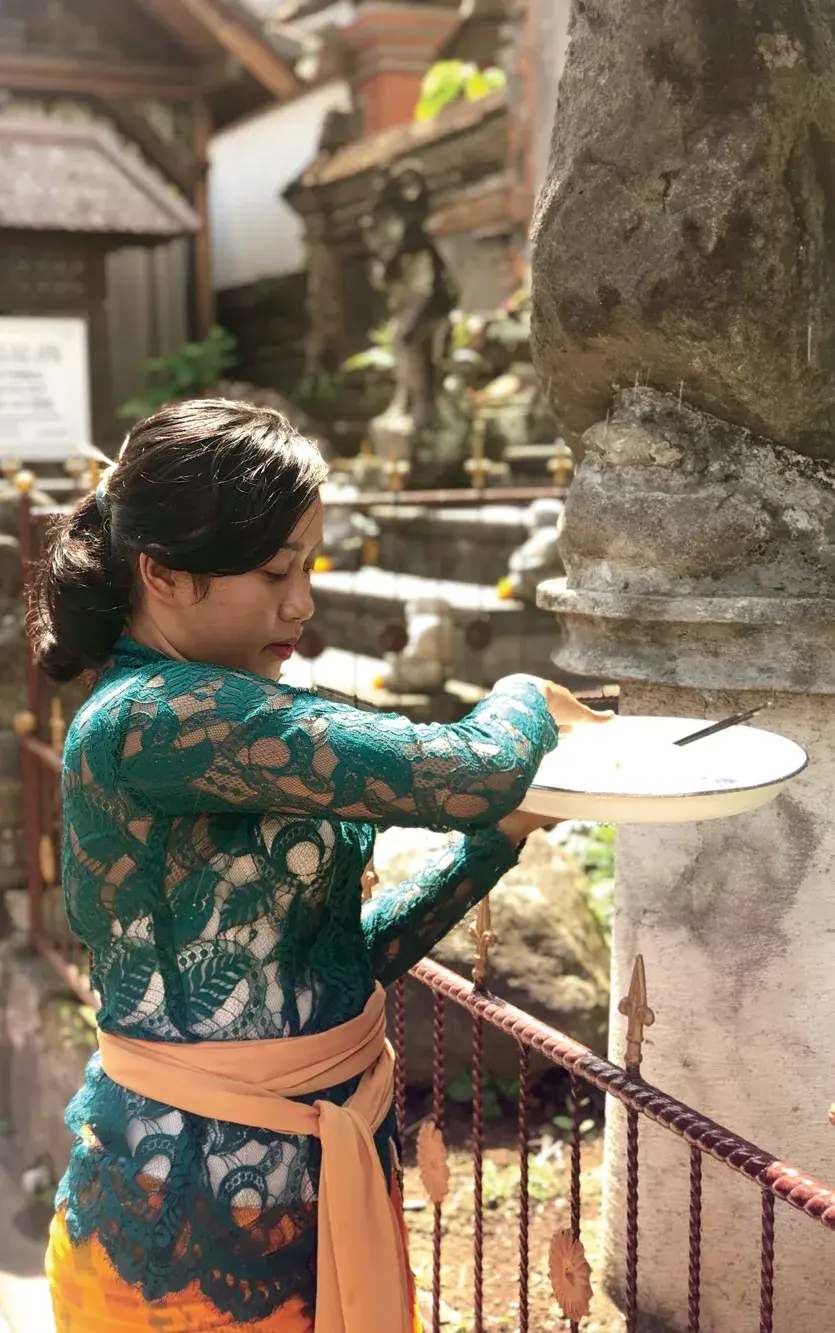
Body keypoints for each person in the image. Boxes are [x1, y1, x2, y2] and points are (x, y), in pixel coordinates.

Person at [32, 400, 611, 1333]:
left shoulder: (238, 710)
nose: (300, 603)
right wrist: (522, 697)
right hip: (178, 1247)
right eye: (273, 573)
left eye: (307, 566)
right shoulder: (153, 717)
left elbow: (339, 965)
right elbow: (470, 770)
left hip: (323, 1196)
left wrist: (499, 840)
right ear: (162, 573)